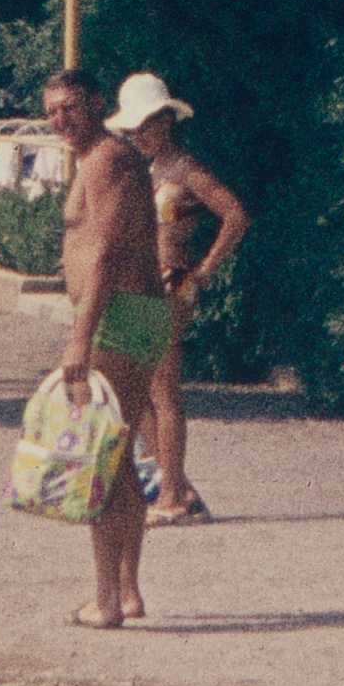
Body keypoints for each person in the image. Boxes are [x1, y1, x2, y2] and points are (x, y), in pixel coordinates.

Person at [51, 77, 172, 630]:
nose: (60, 119)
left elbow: (102, 251)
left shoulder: (105, 160)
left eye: (70, 108)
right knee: (118, 453)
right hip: (130, 315)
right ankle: (125, 591)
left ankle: (107, 598)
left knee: (104, 453)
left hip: (118, 318)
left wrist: (81, 332)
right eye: (52, 111)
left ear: (97, 105)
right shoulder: (101, 160)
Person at [130, 95, 248, 523]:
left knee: (162, 390)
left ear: (166, 121)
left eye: (145, 125)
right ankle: (176, 483)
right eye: (133, 128)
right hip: (144, 280)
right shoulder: (148, 170)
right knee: (132, 387)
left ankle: (173, 497)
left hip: (172, 280)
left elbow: (235, 215)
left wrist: (205, 268)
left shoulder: (187, 169)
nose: (139, 135)